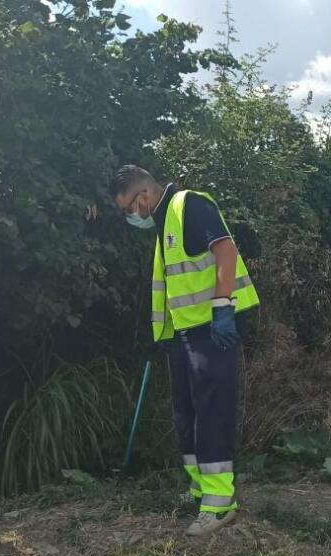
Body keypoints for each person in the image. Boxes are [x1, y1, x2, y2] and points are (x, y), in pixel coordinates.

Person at [109, 165, 259, 537]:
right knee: (186, 413)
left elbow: (225, 250)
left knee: (211, 412)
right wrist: (164, 334)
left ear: (143, 196)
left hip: (214, 329)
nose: (130, 216)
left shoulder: (189, 205)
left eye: (128, 208)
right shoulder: (165, 224)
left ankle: (219, 503)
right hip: (185, 334)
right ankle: (200, 489)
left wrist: (222, 306)